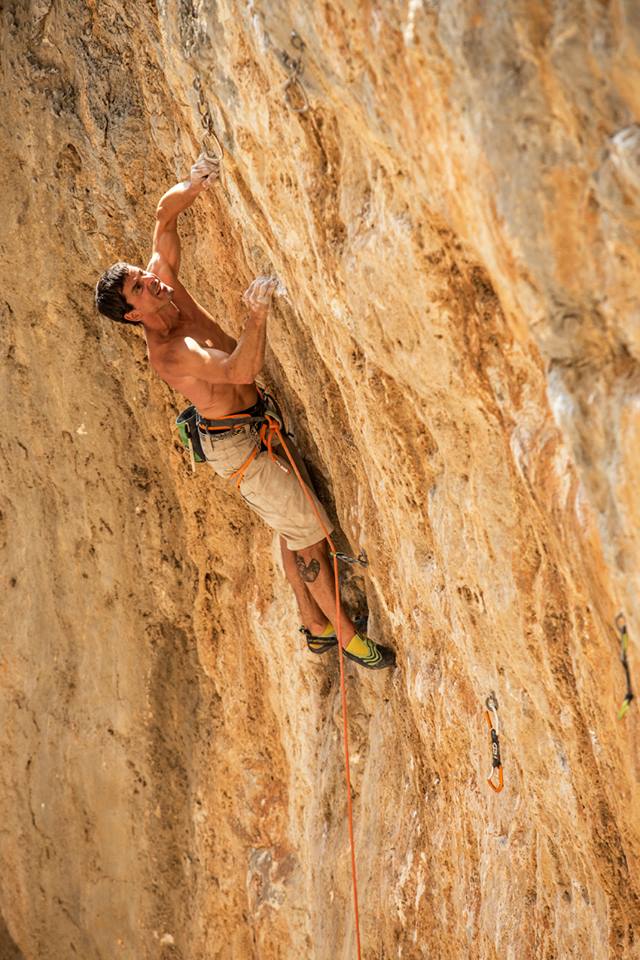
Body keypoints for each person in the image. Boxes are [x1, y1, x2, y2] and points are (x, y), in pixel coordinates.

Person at [94, 154, 394, 669]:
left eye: (143, 275)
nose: (151, 281)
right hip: (239, 448)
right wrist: (257, 315)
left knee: (290, 523)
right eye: (139, 289)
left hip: (245, 430)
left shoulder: (164, 286)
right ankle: (349, 640)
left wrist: (191, 184)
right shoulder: (170, 349)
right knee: (311, 539)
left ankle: (316, 627)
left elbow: (164, 219)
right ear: (133, 314)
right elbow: (237, 372)